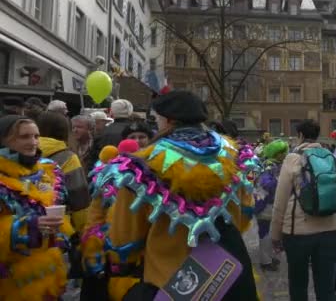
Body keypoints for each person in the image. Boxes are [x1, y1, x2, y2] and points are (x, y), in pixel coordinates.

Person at [84, 91, 258, 300]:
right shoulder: (234, 154)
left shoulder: (140, 167)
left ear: (167, 120)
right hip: (228, 271)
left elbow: (125, 241)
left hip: (171, 281)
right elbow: (245, 213)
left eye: (157, 119)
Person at [0, 115, 73, 299]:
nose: (33, 142)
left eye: (36, 136)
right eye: (24, 137)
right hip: (11, 280)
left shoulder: (49, 171)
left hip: (49, 274)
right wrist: (28, 226)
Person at [271, 119, 336, 301]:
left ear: (300, 135)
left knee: (298, 283)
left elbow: (280, 201)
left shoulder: (293, 158)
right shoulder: (331, 156)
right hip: (330, 230)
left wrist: (275, 235)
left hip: (298, 232)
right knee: (326, 286)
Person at [36, 111, 91, 233]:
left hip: (27, 225)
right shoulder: (68, 157)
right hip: (59, 226)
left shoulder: (21, 151)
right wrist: (83, 231)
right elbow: (79, 197)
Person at [254, 139, 289, 271]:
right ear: (277, 153)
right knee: (266, 234)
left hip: (269, 204)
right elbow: (266, 184)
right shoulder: (270, 166)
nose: (286, 154)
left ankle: (270, 257)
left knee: (271, 233)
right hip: (265, 205)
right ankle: (266, 261)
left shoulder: (276, 165)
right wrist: (280, 181)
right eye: (283, 152)